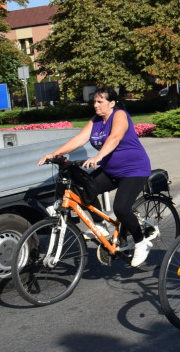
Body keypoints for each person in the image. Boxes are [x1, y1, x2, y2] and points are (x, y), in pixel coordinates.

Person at [39, 86, 156, 267]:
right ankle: (100, 225)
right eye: (94, 101)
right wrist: (54, 154)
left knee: (121, 208)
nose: (95, 105)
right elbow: (79, 139)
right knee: (84, 187)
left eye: (100, 101)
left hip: (134, 170)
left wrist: (98, 157)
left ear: (112, 103)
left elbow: (115, 137)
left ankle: (141, 242)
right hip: (111, 171)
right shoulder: (95, 121)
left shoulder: (120, 115)